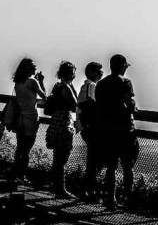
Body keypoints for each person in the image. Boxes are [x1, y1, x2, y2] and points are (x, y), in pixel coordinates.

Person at [94, 54, 138, 208]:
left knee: (111, 167)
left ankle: (110, 198)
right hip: (124, 129)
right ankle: (128, 198)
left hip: (106, 129)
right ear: (123, 66)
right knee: (127, 166)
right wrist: (133, 107)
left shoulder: (101, 84)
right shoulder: (126, 82)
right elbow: (129, 103)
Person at [44, 61, 79, 198]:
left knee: (57, 158)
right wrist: (71, 86)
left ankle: (57, 186)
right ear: (71, 73)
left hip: (55, 122)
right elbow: (75, 103)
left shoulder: (57, 86)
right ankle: (61, 190)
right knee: (62, 157)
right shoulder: (66, 87)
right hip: (64, 124)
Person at [9, 58, 46, 184]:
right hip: (31, 118)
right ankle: (21, 176)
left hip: (20, 118)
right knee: (26, 151)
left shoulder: (18, 82)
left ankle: (14, 174)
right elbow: (44, 96)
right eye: (33, 67)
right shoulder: (32, 81)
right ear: (28, 68)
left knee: (20, 148)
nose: (35, 69)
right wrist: (41, 81)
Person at [76, 62, 104, 199]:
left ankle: (86, 189)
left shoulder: (85, 86)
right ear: (91, 72)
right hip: (92, 128)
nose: (102, 73)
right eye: (99, 71)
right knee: (97, 160)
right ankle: (87, 189)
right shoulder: (91, 86)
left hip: (86, 127)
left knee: (93, 159)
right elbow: (90, 104)